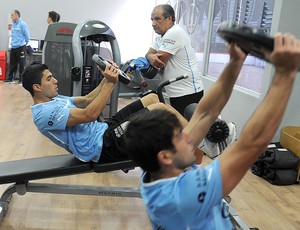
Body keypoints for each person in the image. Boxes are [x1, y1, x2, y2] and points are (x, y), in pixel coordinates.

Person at [123, 33, 300, 229]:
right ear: (165, 156)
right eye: (179, 137)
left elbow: (206, 113)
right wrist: (285, 73)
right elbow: (253, 142)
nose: (188, 137)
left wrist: (235, 61)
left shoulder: (157, 169)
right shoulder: (184, 195)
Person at [21, 62, 192, 163]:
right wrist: (110, 83)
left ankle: (194, 135)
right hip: (101, 147)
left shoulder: (54, 99)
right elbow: (89, 114)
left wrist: (106, 77)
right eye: (49, 79)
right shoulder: (43, 114)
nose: (56, 80)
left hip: (103, 130)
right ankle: (197, 144)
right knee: (160, 110)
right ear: (37, 87)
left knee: (152, 98)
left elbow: (87, 99)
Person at [145, 4, 204, 116]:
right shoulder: (160, 36)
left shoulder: (174, 32)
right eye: (152, 20)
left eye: (157, 19)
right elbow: (149, 54)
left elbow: (158, 63)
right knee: (179, 128)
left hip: (188, 92)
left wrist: (152, 57)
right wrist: (150, 56)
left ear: (169, 19)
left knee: (189, 129)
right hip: (175, 92)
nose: (153, 24)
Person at [5, 10, 30, 83]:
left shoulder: (23, 24)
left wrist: (25, 44)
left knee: (22, 64)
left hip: (21, 47)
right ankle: (10, 79)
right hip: (13, 47)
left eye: (12, 15)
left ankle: (21, 80)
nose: (11, 16)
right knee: (12, 64)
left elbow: (27, 36)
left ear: (16, 15)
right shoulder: (13, 24)